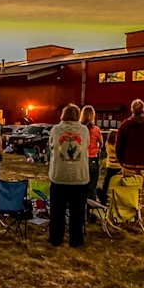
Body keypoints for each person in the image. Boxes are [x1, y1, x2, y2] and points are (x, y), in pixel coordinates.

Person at [47, 103, 90, 248]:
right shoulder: (84, 131)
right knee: (77, 212)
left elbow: (51, 145)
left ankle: (56, 238)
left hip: (59, 176)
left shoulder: (56, 130)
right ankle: (76, 240)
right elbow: (87, 146)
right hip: (79, 177)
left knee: (57, 211)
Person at [79, 105, 103, 201]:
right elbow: (101, 143)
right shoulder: (96, 129)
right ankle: (90, 208)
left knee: (81, 185)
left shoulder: (79, 129)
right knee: (92, 185)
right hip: (92, 158)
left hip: (81, 158)